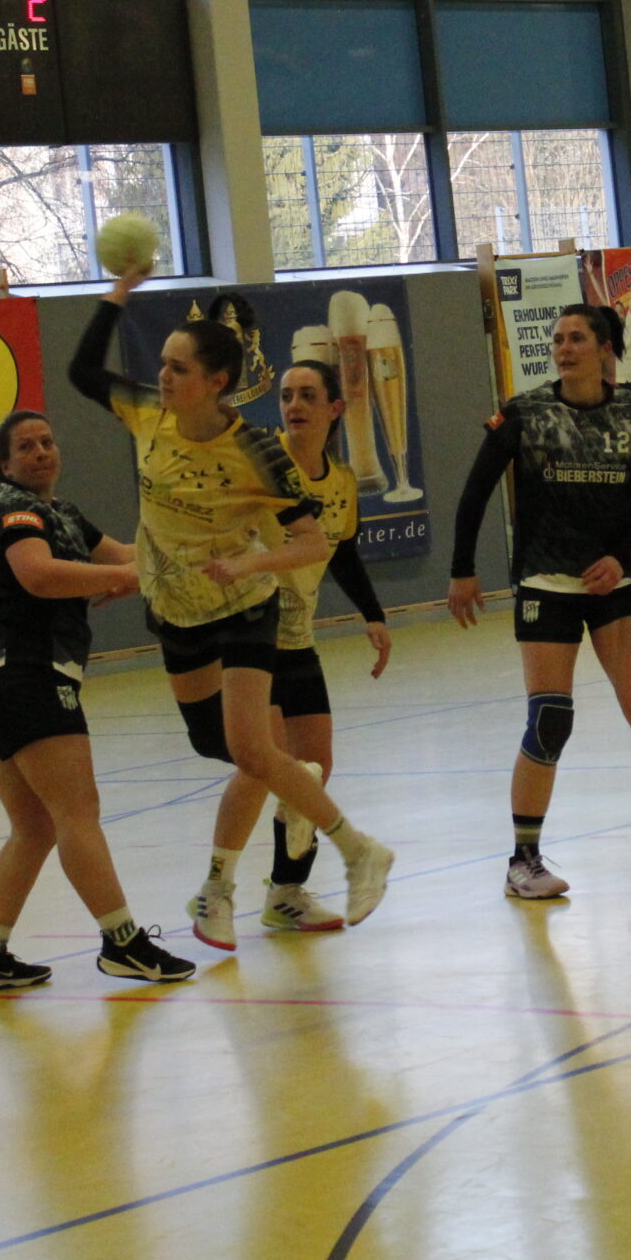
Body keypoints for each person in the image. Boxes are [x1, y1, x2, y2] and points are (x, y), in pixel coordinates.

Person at [70, 269, 396, 937]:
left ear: (216, 380)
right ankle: (291, 806)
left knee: (253, 749)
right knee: (224, 747)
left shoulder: (254, 451)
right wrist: (119, 291)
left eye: (178, 367)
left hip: (247, 608)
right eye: (162, 364)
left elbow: (313, 542)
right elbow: (82, 371)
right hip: (177, 614)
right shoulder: (147, 414)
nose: (163, 376)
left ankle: (350, 852)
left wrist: (248, 563)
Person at [450, 302, 631, 898]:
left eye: (577, 338)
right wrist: (462, 569)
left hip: (618, 583)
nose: (564, 348)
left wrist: (621, 556)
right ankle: (523, 860)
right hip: (546, 582)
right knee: (550, 718)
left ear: (605, 349)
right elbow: (475, 492)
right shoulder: (525, 413)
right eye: (557, 339)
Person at [0, 410, 193, 991]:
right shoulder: (14, 510)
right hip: (21, 672)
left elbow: (126, 557)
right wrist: (120, 580)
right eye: (26, 447)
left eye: (47, 441)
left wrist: (188, 545)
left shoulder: (62, 514)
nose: (41, 452)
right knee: (77, 813)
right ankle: (122, 943)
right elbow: (38, 575)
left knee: (33, 828)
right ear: (6, 463)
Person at [185, 357, 393, 946]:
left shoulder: (342, 482)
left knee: (316, 766)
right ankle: (215, 888)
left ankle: (286, 894)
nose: (294, 406)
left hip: (299, 639)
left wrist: (373, 615)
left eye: (307, 395)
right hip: (250, 634)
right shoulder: (259, 463)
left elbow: (340, 549)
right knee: (263, 762)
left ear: (335, 408)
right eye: (285, 396)